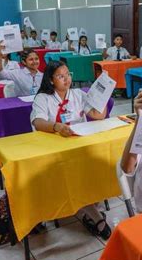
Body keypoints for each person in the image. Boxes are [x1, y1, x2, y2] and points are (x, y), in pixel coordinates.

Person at [30, 60, 111, 239]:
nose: (66, 79)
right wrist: (57, 127)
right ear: (51, 80)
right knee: (68, 175)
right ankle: (90, 213)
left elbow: (99, 115)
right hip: (54, 150)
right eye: (60, 76)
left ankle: (89, 208)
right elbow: (38, 122)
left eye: (68, 74)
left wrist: (101, 96)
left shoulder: (78, 94)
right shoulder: (43, 98)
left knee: (98, 166)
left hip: (78, 147)